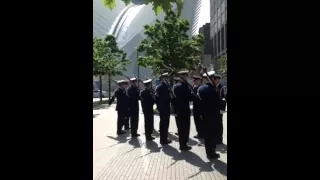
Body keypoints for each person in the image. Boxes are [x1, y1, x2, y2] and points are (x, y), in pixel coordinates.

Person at [198, 71, 221, 159]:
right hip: (213, 116)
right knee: (212, 135)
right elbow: (217, 103)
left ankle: (208, 152)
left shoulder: (201, 88)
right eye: (215, 79)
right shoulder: (213, 89)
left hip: (204, 115)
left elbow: (198, 102)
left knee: (207, 136)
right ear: (212, 78)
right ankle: (212, 153)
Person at [173, 71, 193, 151]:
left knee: (181, 128)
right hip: (184, 110)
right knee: (185, 128)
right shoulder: (184, 86)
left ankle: (182, 144)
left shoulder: (176, 86)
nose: (187, 77)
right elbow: (189, 98)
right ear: (184, 76)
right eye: (187, 76)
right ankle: (183, 145)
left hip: (178, 110)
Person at [155, 73, 172, 145]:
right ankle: (164, 140)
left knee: (162, 124)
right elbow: (167, 98)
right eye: (166, 78)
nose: (167, 79)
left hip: (161, 108)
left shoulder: (159, 87)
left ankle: (163, 139)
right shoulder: (164, 87)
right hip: (165, 108)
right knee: (165, 124)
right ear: (163, 79)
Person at [212, 74, 227, 145]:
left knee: (219, 124)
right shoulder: (212, 87)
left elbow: (224, 99)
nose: (214, 80)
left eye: (215, 79)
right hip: (213, 109)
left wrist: (223, 110)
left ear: (218, 79)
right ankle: (215, 138)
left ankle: (219, 139)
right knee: (214, 124)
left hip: (220, 109)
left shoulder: (222, 87)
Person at [192, 75, 204, 139]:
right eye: (194, 80)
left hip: (200, 107)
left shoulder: (201, 88)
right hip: (195, 107)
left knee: (200, 121)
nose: (194, 81)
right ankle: (199, 132)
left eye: (195, 80)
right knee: (196, 121)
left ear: (199, 81)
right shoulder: (194, 87)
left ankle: (201, 133)